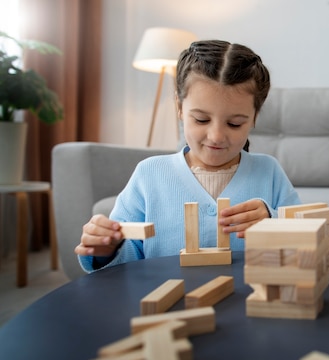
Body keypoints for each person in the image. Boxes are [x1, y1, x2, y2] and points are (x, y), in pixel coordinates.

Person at [75, 40, 301, 272]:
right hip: (166, 302)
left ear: (254, 118)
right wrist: (107, 249)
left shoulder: (269, 171)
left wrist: (274, 222)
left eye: (234, 124)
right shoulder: (149, 174)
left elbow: (305, 240)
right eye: (201, 119)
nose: (216, 136)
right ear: (179, 106)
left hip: (247, 303)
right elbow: (128, 253)